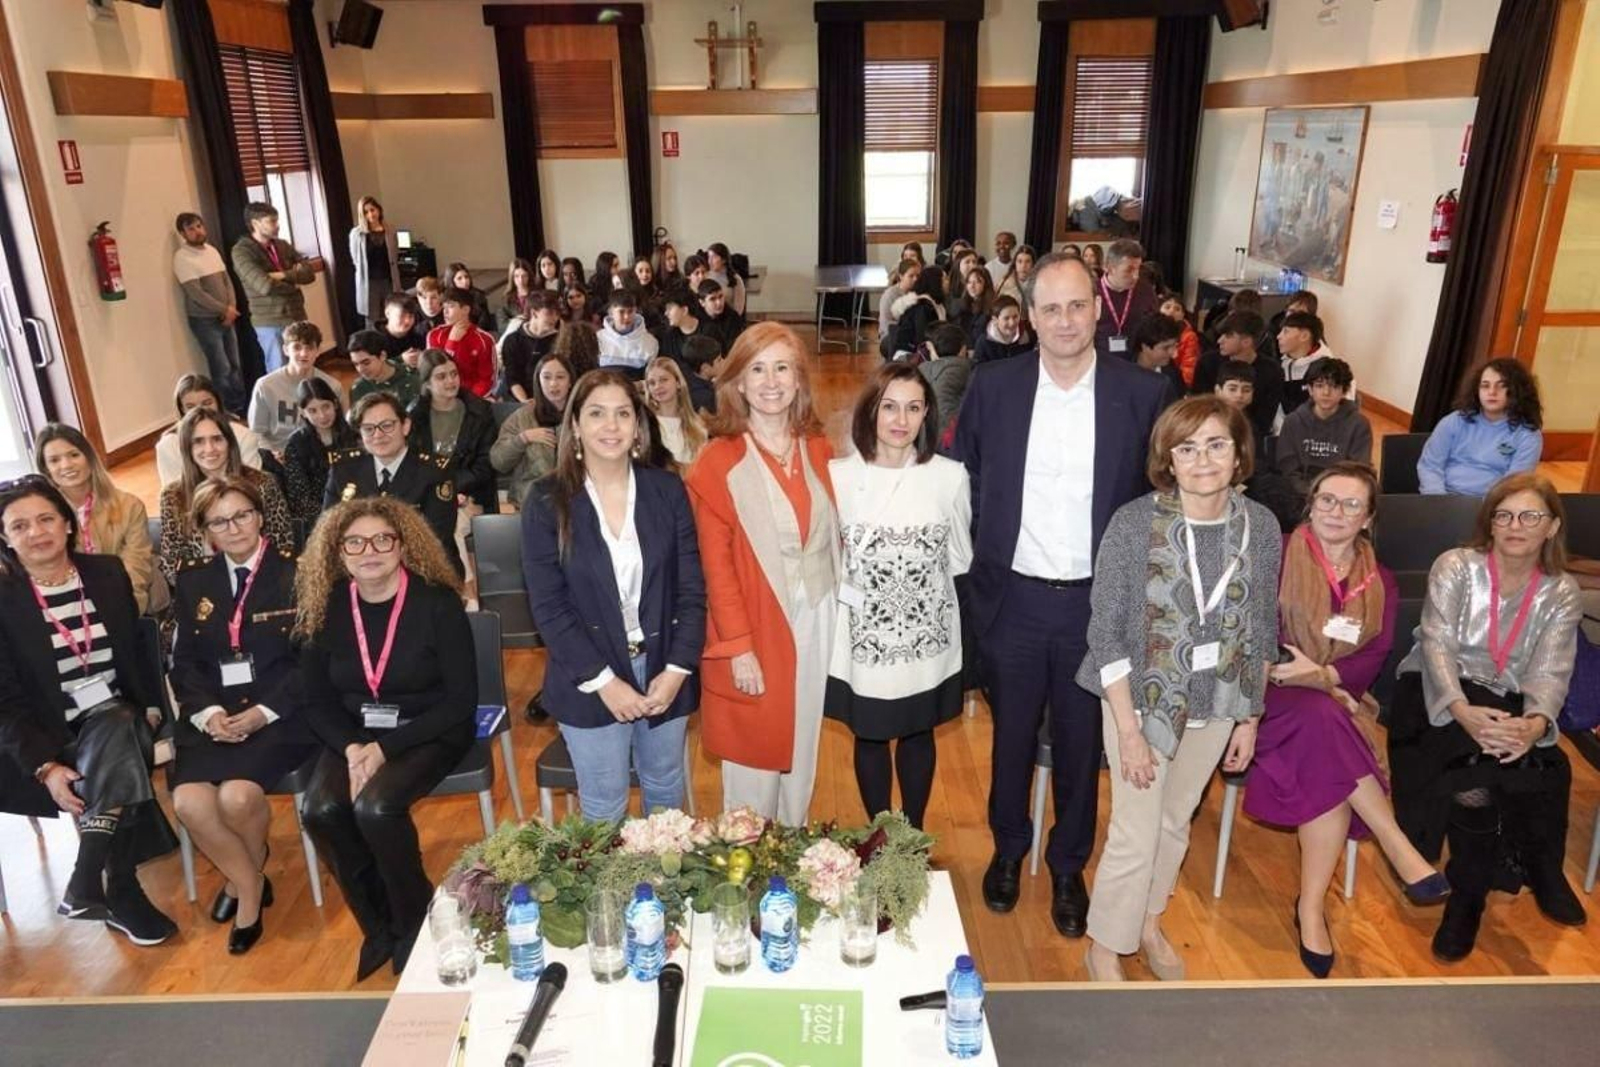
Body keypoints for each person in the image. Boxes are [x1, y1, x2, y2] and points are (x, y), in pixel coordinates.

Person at [953, 252, 1168, 939]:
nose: (1065, 320)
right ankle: (1009, 848)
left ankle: (1069, 863)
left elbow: (1154, 501)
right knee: (1011, 737)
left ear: (1098, 310)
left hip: (1095, 607)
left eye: (1078, 305)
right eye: (1051, 308)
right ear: (1031, 317)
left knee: (1081, 746)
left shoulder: (1142, 394)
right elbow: (970, 476)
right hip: (1012, 599)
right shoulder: (994, 384)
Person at [1077, 396, 1280, 981]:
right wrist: (1129, 730)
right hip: (1139, 701)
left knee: (1175, 821)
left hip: (1217, 700)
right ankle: (1106, 945)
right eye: (1186, 448)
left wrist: (1250, 717)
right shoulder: (1134, 523)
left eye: (1216, 444)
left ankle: (1146, 922)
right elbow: (1106, 630)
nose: (1202, 460)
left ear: (1239, 453)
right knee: (1136, 831)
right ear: (1168, 459)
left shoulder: (1260, 526)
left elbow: (1262, 624)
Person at [1243, 464, 1450, 978]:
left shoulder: (1377, 579)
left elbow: (1376, 651)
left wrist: (1326, 675)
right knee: (1322, 717)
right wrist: (1312, 676)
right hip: (1263, 692)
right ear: (1310, 503)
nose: (1337, 512)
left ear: (1369, 517)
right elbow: (1254, 633)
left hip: (1331, 701)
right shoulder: (1276, 552)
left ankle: (1311, 908)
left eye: (1351, 504)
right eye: (1327, 500)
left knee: (1323, 740)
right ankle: (1394, 842)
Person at [1389, 474, 1586, 962]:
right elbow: (1436, 643)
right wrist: (1460, 710)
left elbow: (1553, 667)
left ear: (1552, 526)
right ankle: (1473, 896)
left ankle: (1524, 872)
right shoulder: (1456, 565)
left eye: (1530, 516)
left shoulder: (1560, 590)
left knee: (1546, 766)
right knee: (1472, 771)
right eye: (1504, 515)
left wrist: (1535, 725)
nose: (1516, 525)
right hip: (1437, 688)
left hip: (1509, 699)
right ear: (1490, 523)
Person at [295, 496, 476, 980]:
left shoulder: (437, 603)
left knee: (376, 807)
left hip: (429, 727)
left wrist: (385, 749)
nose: (368, 550)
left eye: (381, 539)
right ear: (338, 551)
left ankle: (417, 924)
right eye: (354, 542)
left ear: (402, 545)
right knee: (320, 809)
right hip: (355, 733)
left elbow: (460, 702)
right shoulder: (325, 606)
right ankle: (379, 924)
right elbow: (316, 701)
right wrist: (354, 747)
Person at [0, 476, 179, 945]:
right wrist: (45, 767)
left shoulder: (105, 572)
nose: (36, 532)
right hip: (46, 732)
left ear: (66, 522)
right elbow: (4, 704)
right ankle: (113, 882)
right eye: (20, 526)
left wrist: (154, 708)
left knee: (121, 723)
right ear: (5, 537)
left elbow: (137, 653)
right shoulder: (3, 600)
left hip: (118, 711)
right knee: (121, 734)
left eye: (45, 519)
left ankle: (91, 876)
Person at [521, 370, 706, 819]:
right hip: (588, 676)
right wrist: (606, 683)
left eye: (623, 413)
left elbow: (692, 590)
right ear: (576, 426)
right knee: (604, 807)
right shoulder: (546, 500)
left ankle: (664, 889)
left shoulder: (667, 490)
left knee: (665, 791)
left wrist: (678, 669)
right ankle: (610, 893)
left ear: (638, 426)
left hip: (664, 668)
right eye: (597, 413)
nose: (611, 425)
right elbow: (549, 607)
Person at [684, 322, 838, 824]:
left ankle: (793, 857)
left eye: (783, 368)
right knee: (754, 757)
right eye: (757, 369)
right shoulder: (717, 462)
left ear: (799, 381)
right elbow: (716, 567)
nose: (771, 381)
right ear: (738, 383)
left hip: (817, 617)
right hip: (754, 626)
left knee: (804, 745)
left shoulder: (818, 448)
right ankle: (747, 870)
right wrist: (738, 647)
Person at [168, 477, 317, 955]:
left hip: (281, 715)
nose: (233, 528)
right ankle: (251, 879)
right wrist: (208, 713)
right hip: (212, 716)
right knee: (190, 803)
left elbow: (312, 660)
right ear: (205, 530)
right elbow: (184, 662)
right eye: (219, 521)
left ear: (259, 515)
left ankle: (243, 893)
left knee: (235, 799)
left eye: (242, 515)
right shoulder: (193, 579)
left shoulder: (300, 571)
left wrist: (263, 712)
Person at [826, 364, 970, 830]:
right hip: (865, 641)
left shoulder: (949, 476)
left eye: (912, 407)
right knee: (870, 735)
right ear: (871, 410)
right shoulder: (839, 476)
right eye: (889, 406)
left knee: (917, 731)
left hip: (926, 640)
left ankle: (911, 836)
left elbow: (960, 556)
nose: (900, 420)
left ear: (927, 413)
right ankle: (880, 837)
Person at [35, 424, 162, 615]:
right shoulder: (41, 518)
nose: (66, 465)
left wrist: (118, 615)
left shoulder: (130, 506)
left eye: (74, 455)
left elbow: (136, 570)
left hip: (126, 603)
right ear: (46, 469)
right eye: (54, 460)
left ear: (89, 458)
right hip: (70, 611)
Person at [159, 408, 293, 587]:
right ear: (187, 447)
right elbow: (172, 563)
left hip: (264, 584)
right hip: (203, 591)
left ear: (229, 442)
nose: (209, 449)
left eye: (217, 439)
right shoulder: (173, 496)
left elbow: (282, 544)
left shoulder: (263, 484)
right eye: (198, 442)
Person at [1417, 358, 1544, 497]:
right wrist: (1439, 501)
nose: (1492, 392)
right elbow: (1430, 466)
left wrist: (1485, 508)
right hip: (1443, 497)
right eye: (1485, 385)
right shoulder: (1454, 421)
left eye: (1501, 385)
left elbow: (1514, 485)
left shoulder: (1528, 434)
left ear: (1517, 391)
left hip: (1490, 505)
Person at [407, 349, 498, 519]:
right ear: (427, 383)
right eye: (441, 377)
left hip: (469, 494)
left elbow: (485, 466)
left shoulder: (480, 412)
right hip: (426, 494)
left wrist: (451, 489)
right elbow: (410, 464)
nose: (451, 381)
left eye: (454, 374)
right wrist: (439, 491)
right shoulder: (414, 416)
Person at [172, 212, 246, 415]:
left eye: (198, 226)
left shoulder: (212, 251)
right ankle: (225, 410)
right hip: (204, 321)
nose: (197, 231)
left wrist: (231, 307)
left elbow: (226, 281)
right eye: (191, 229)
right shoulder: (182, 257)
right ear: (182, 233)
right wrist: (224, 309)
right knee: (220, 367)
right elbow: (196, 293)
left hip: (227, 316)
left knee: (234, 364)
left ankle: (240, 405)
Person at [230, 202, 314, 372]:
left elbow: (309, 274)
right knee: (279, 371)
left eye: (277, 221)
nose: (277, 226)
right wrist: (294, 282)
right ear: (255, 223)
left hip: (296, 315)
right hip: (270, 321)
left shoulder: (282, 245)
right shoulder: (241, 251)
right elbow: (264, 285)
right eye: (272, 221)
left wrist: (282, 275)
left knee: (305, 367)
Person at [1275, 357, 1372, 495]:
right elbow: (1287, 467)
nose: (1326, 393)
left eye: (1334, 386)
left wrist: (1329, 495)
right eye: (1319, 386)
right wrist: (1311, 492)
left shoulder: (1359, 424)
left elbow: (1358, 469)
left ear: (1344, 391)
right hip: (1299, 494)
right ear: (1310, 389)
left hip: (1341, 494)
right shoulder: (1293, 421)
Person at [247, 321, 346, 454]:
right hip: (280, 452)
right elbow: (256, 432)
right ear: (286, 350)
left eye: (309, 348)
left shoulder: (333, 386)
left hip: (320, 453)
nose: (304, 354)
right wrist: (272, 453)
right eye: (297, 347)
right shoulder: (265, 386)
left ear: (318, 351)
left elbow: (341, 427)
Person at [282, 378, 358, 549]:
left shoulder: (354, 435)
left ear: (335, 404)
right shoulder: (296, 444)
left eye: (326, 406)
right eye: (313, 410)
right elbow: (299, 498)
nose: (322, 416)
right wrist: (331, 519)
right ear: (303, 413)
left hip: (357, 511)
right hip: (319, 521)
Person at [1191, 312, 1283, 444]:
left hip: (1251, 440)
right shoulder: (1208, 362)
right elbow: (1198, 406)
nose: (1219, 340)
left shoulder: (1271, 371)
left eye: (1228, 336)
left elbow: (1264, 420)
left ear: (1246, 341)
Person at [156, 374, 264, 487]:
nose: (200, 410)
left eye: (207, 403)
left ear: (218, 402)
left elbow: (253, 485)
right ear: (181, 409)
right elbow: (174, 494)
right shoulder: (168, 445)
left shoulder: (243, 436)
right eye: (190, 407)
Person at [490, 354, 569, 508]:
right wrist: (523, 439)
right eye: (546, 377)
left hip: (575, 503)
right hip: (529, 503)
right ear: (538, 381)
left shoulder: (583, 416)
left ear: (570, 381)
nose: (553, 384)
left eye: (560, 377)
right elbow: (498, 462)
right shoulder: (522, 417)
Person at [426, 287, 497, 400]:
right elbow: (435, 373)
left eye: (451, 306)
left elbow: (487, 380)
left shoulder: (484, 339)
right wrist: (452, 343)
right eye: (444, 307)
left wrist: (470, 401)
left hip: (474, 398)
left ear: (465, 310)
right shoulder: (434, 336)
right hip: (441, 398)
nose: (445, 311)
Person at [1094, 239, 1158, 362]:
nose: (1136, 276)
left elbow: (1152, 327)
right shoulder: (1090, 291)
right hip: (1100, 361)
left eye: (1138, 268)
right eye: (1129, 270)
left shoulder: (1145, 290)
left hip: (1135, 361)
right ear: (1110, 268)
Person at [644, 356, 708, 468]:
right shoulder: (645, 424)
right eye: (652, 383)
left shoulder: (698, 424)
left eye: (664, 380)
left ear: (678, 382)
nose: (658, 386)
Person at [349, 196, 401, 328]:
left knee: (392, 315)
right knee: (372, 320)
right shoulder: (357, 234)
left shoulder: (390, 230)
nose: (370, 214)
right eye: (366, 212)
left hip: (388, 280)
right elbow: (356, 260)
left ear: (378, 210)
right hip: (369, 283)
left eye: (372, 210)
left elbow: (395, 255)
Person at [500, 291, 562, 402]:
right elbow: (512, 378)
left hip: (553, 397)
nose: (555, 318)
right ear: (534, 313)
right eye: (550, 313)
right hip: (521, 399)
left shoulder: (561, 339)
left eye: (557, 314)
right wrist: (524, 400)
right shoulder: (513, 340)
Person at [919, 322, 972, 442]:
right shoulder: (964, 367)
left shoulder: (923, 368)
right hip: (948, 441)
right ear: (963, 349)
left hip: (922, 439)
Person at [1277, 311, 1335, 418]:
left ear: (1304, 336)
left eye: (1286, 331)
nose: (1278, 336)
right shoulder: (1281, 365)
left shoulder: (1330, 369)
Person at [348, 329, 422, 411]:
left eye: (366, 363)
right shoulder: (359, 388)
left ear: (382, 355)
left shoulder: (411, 380)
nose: (360, 369)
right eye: (356, 364)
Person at [596, 290, 659, 377]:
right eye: (621, 312)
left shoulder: (650, 342)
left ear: (636, 311)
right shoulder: (598, 339)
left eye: (630, 311)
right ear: (611, 312)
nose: (626, 317)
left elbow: (651, 378)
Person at [890, 265, 947, 359]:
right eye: (945, 279)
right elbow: (923, 340)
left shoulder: (935, 304)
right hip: (908, 356)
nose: (947, 282)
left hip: (920, 353)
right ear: (936, 282)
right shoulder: (922, 307)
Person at [1129, 312, 1185, 400]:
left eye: (1175, 345)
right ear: (1145, 346)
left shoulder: (1173, 374)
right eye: (1166, 348)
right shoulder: (1124, 375)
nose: (1174, 353)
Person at [877, 258, 922, 357]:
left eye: (918, 276)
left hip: (912, 335)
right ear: (901, 276)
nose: (915, 279)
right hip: (891, 336)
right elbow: (886, 324)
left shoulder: (919, 293)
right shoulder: (890, 295)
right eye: (911, 276)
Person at [971, 295, 1032, 364]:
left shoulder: (1028, 335)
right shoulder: (984, 343)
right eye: (1006, 318)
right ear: (995, 320)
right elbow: (977, 371)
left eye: (1015, 317)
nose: (1012, 323)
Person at [1159, 292, 1202, 389]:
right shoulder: (1150, 330)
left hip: (1174, 384)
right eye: (1167, 307)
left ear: (1183, 315)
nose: (1171, 311)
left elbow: (1189, 371)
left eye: (1177, 309)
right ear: (1158, 309)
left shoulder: (1189, 337)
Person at [696, 278, 747, 356]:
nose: (719, 303)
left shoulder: (732, 317)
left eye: (720, 297)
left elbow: (736, 347)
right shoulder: (696, 320)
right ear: (702, 302)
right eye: (712, 299)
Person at [376, 292, 425, 366]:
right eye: (402, 315)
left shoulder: (417, 338)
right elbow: (373, 367)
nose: (407, 321)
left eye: (411, 316)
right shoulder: (374, 340)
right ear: (388, 313)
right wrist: (400, 360)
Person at [444, 262, 495, 333]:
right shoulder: (446, 299)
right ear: (452, 281)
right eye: (459, 278)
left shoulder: (479, 296)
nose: (465, 281)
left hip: (476, 334)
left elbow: (485, 324)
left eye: (466, 277)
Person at [658, 286, 703, 364]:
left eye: (670, 308)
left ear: (684, 310)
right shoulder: (669, 337)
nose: (666, 313)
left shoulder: (710, 330)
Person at [680, 334, 722, 414]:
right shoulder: (706, 398)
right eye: (719, 360)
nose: (724, 362)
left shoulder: (686, 376)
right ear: (705, 368)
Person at [706, 242, 747, 316]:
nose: (710, 261)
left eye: (714, 257)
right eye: (709, 257)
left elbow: (738, 309)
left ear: (724, 259)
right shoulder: (706, 276)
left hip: (729, 320)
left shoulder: (736, 279)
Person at [502, 257, 537, 323]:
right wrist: (516, 320)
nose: (520, 280)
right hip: (515, 331)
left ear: (529, 276)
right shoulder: (506, 298)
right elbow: (502, 324)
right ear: (512, 278)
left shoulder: (537, 295)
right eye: (517, 276)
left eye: (524, 276)